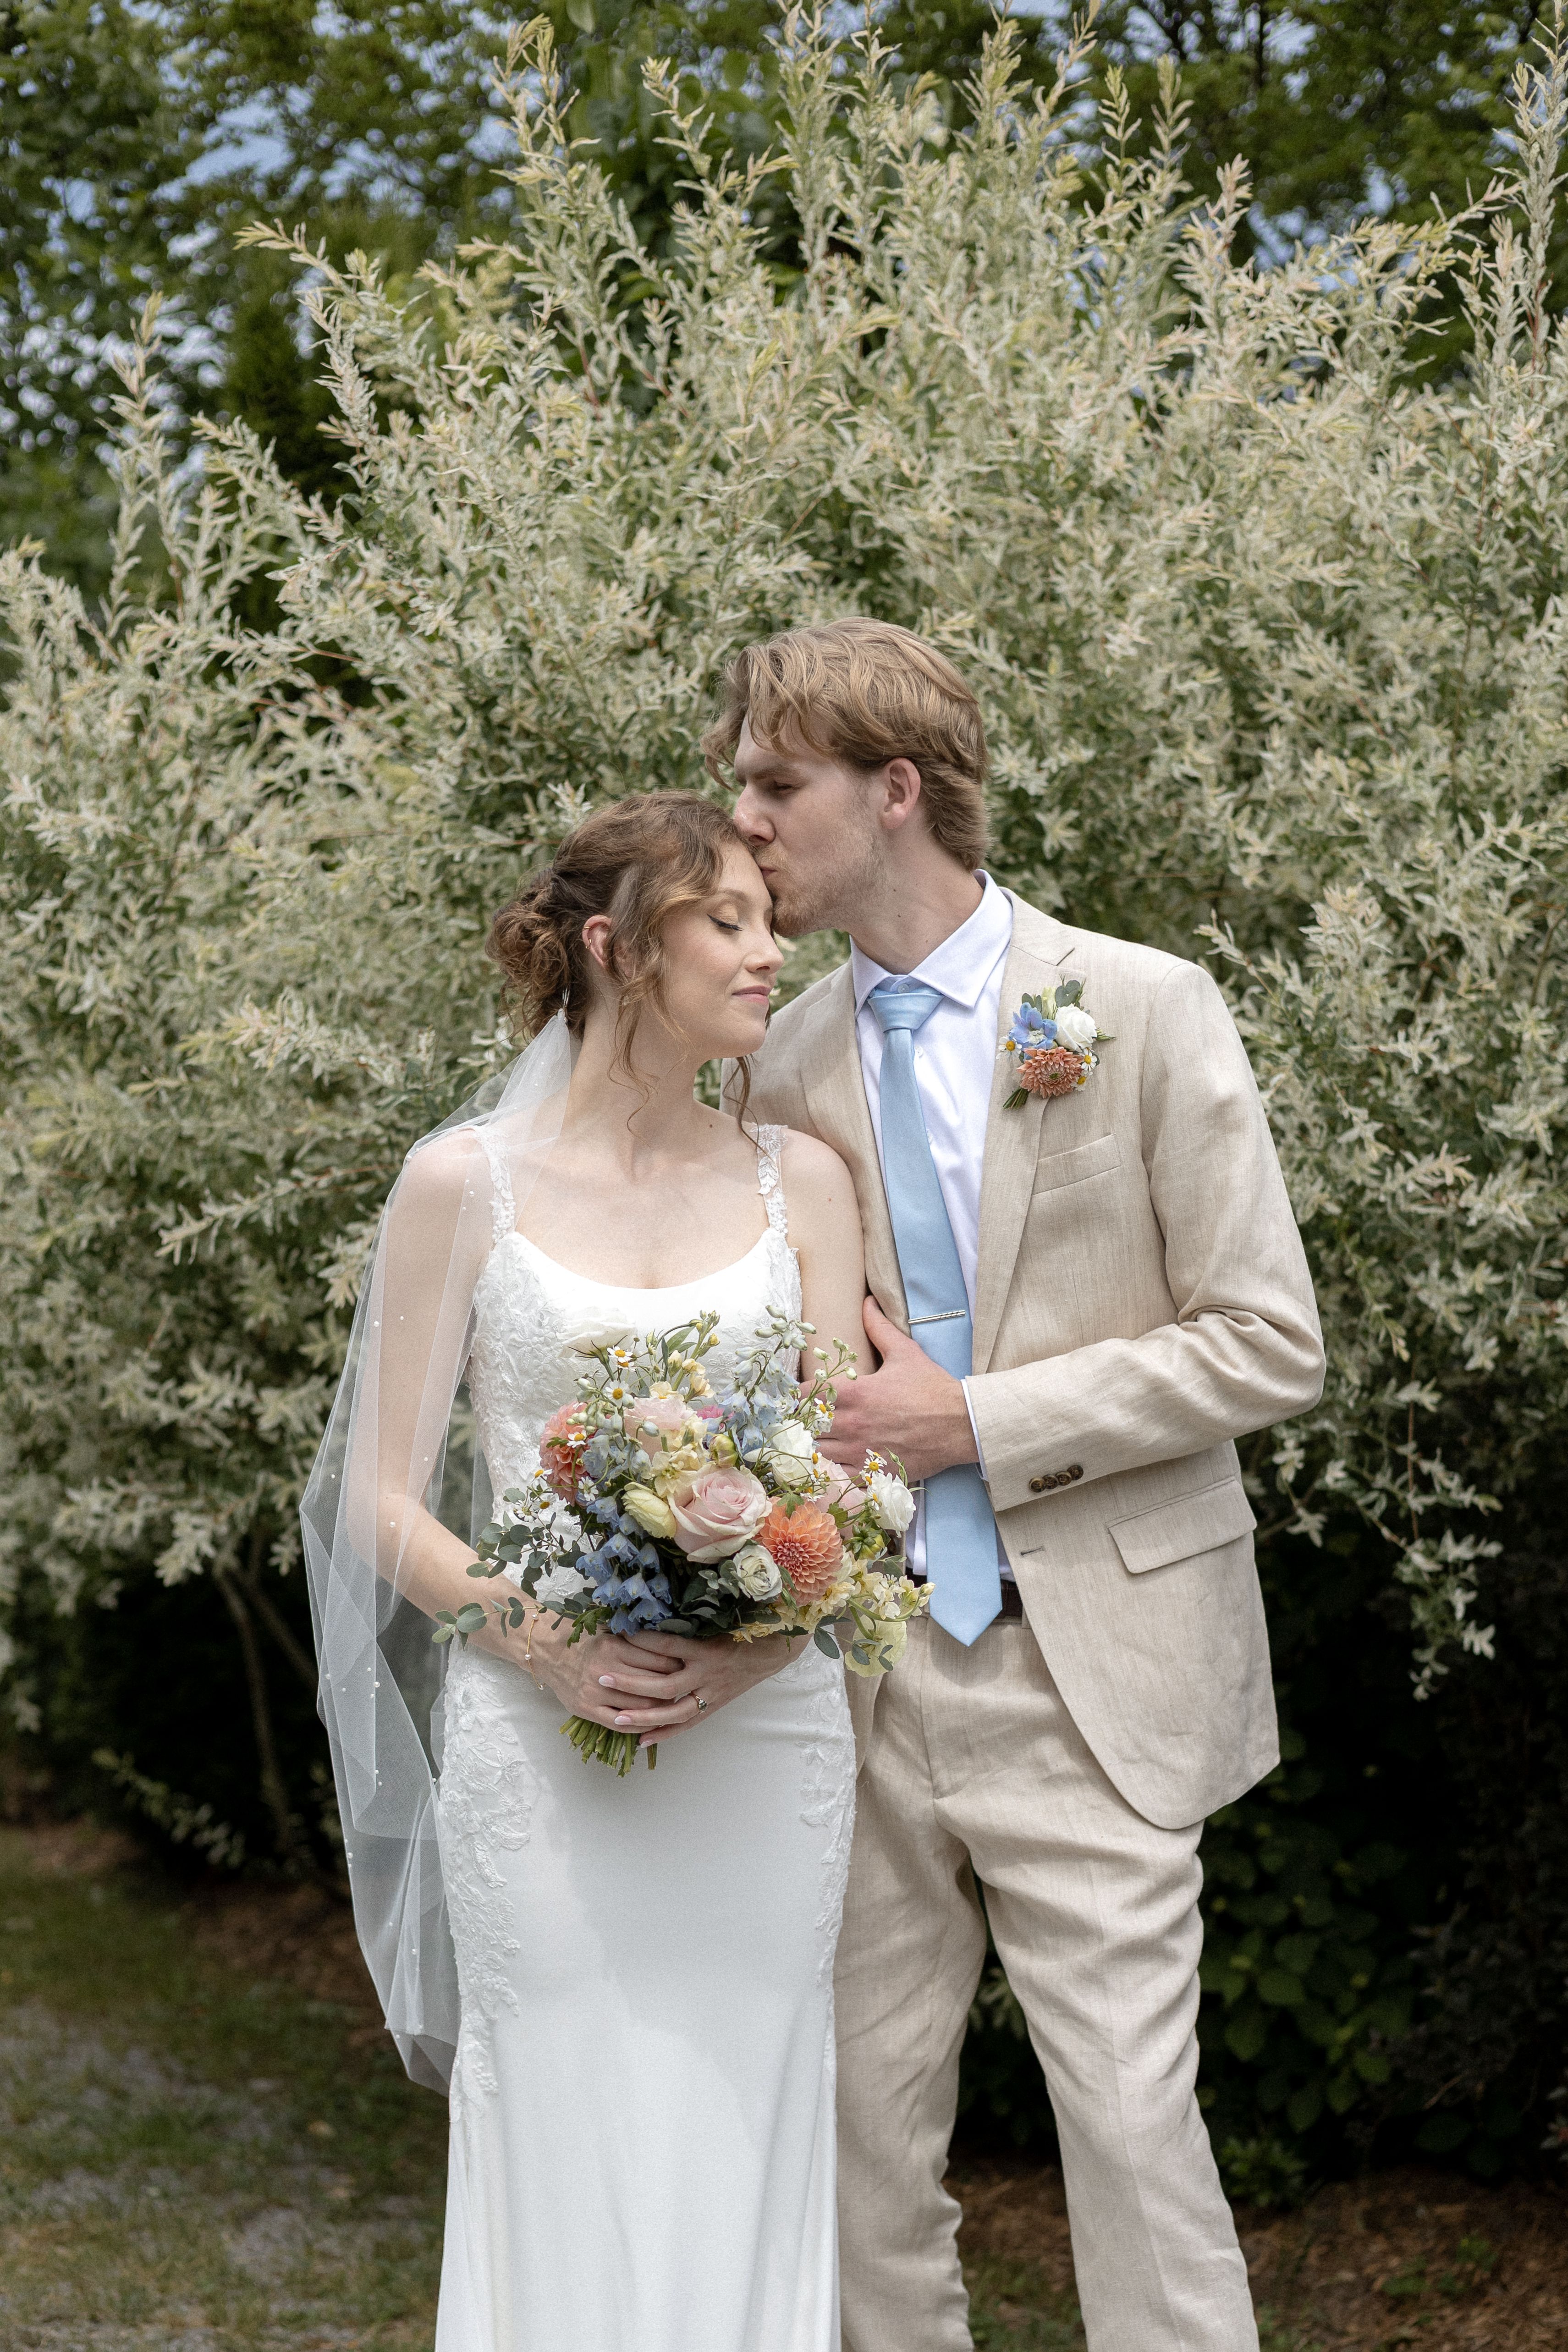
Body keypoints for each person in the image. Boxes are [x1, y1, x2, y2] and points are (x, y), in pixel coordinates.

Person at [710, 619, 1326, 2352]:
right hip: (859, 1670)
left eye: (776, 784)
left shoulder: (1133, 1007)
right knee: (855, 2138)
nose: (741, 821)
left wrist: (976, 1417)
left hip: (1096, 1667)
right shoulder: (773, 1057)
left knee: (1132, 2130)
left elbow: (1271, 1342)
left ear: (893, 791)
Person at [302, 793, 869, 2352]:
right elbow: (378, 1497)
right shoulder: (459, 1185)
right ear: (621, 947)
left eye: (770, 916)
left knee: (747, 2100)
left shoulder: (801, 1185)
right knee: (554, 2101)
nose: (773, 950)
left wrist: (759, 1643)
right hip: (535, 1741)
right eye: (731, 920)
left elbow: (845, 1474)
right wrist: (545, 1644)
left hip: (762, 1741)